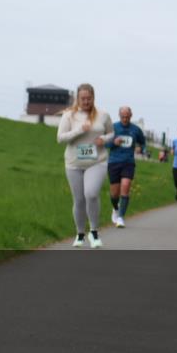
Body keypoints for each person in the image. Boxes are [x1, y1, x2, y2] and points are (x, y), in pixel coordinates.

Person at [57, 83, 114, 248]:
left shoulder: (103, 115)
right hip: (74, 163)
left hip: (97, 161)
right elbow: (60, 138)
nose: (86, 101)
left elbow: (111, 132)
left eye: (89, 98)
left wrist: (103, 139)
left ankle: (94, 232)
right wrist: (79, 130)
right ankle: (80, 234)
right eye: (83, 98)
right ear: (77, 98)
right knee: (79, 200)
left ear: (93, 98)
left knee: (91, 194)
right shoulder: (69, 116)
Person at [106, 106, 146, 228]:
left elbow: (143, 142)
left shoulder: (136, 130)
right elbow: (104, 143)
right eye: (123, 116)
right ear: (119, 116)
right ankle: (115, 208)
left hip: (128, 162)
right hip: (114, 162)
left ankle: (121, 217)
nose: (125, 119)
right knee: (114, 193)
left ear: (131, 116)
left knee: (126, 186)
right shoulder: (113, 127)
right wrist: (113, 142)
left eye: (127, 116)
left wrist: (141, 148)